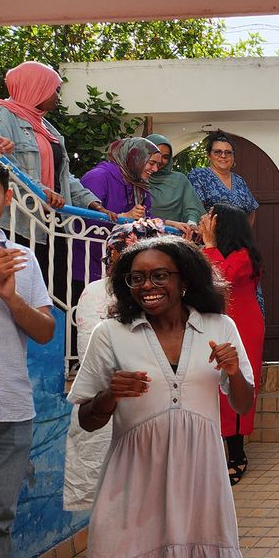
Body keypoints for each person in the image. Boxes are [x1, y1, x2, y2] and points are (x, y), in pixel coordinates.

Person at [68, 236, 253, 558]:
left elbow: (243, 403)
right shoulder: (111, 333)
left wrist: (234, 373)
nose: (147, 287)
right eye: (137, 279)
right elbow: (87, 421)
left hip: (201, 475)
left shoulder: (220, 326)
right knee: (122, 555)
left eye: (159, 276)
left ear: (184, 279)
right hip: (133, 476)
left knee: (198, 555)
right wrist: (109, 396)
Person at [0, 154, 55, 558]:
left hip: (11, 411)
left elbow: (46, 331)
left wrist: (8, 295)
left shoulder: (23, 258)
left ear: (7, 199)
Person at [64, 220, 167, 513]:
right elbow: (93, 361)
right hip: (110, 415)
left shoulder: (170, 298)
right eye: (123, 261)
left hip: (160, 418)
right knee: (113, 506)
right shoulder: (97, 294)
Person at [0, 61, 113, 299]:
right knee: (21, 292)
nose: (57, 95)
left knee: (51, 295)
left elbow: (64, 176)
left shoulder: (46, 126)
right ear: (36, 87)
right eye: (54, 89)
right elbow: (2, 168)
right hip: (19, 224)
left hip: (52, 224)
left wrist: (92, 203)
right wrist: (42, 191)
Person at [200, 204, 265, 486]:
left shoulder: (243, 257)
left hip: (243, 328)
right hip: (216, 326)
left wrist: (209, 245)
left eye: (210, 220)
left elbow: (219, 277)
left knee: (237, 381)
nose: (205, 223)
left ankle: (237, 456)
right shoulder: (219, 252)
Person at [75, 138, 166, 283]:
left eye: (157, 164)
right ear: (135, 159)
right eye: (151, 163)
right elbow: (82, 221)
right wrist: (124, 217)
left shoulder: (138, 184)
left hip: (121, 266)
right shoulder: (98, 177)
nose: (155, 169)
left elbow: (145, 218)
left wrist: (171, 224)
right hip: (88, 264)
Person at [187, 132, 260, 225]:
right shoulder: (199, 175)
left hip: (238, 238)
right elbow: (195, 209)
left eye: (228, 152)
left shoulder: (239, 180)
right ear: (209, 155)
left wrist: (245, 233)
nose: (223, 156)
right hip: (210, 237)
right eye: (217, 152)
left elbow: (251, 210)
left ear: (233, 156)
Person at [145, 134, 203, 233]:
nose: (160, 160)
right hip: (142, 236)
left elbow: (192, 208)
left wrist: (191, 223)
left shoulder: (179, 180)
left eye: (165, 157)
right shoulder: (137, 179)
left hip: (175, 237)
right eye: (156, 154)